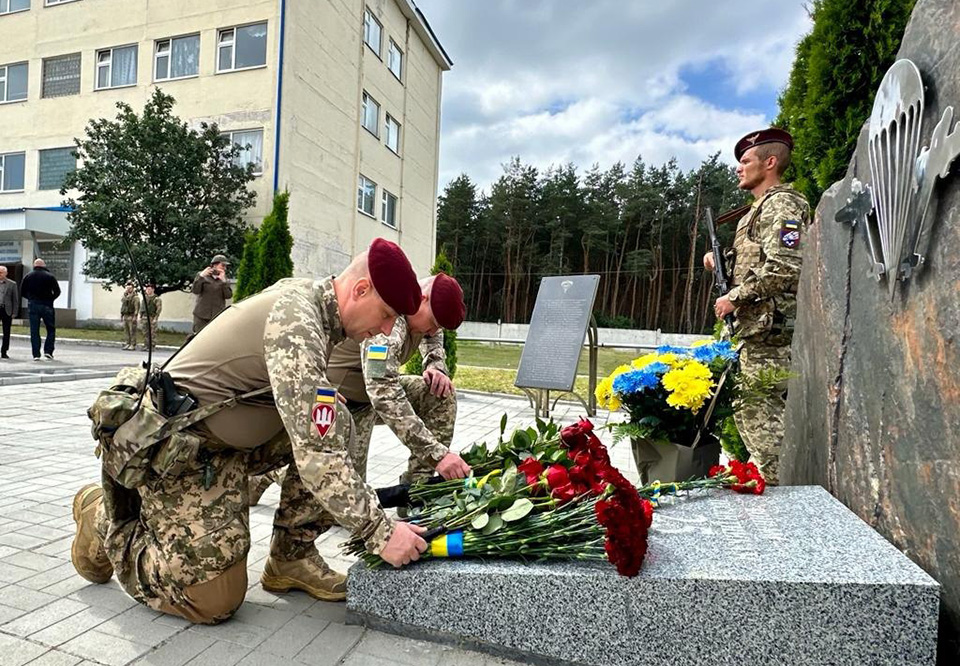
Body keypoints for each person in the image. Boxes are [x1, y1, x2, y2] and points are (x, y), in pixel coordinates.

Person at [71, 238, 429, 625]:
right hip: (178, 453)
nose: (388, 328)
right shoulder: (298, 323)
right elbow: (317, 458)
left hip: (225, 449)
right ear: (361, 290)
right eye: (388, 313)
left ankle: (291, 557)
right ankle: (103, 517)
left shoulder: (317, 307)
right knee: (212, 599)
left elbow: (318, 431)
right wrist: (382, 533)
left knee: (335, 419)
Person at [703, 128, 810, 485]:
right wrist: (720, 264)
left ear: (770, 162)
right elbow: (757, 261)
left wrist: (732, 298)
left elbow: (785, 267)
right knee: (751, 415)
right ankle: (767, 484)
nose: (739, 168)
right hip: (756, 331)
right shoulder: (757, 209)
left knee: (763, 421)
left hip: (772, 333)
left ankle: (780, 500)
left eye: (745, 161)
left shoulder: (783, 204)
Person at [327, 272, 470, 485]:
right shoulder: (387, 323)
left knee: (440, 394)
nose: (431, 330)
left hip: (370, 397)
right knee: (345, 493)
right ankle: (270, 473)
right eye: (432, 322)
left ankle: (414, 491)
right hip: (341, 402)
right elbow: (384, 394)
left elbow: (433, 336)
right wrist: (437, 454)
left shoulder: (420, 312)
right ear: (423, 297)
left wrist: (435, 364)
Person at [20, 258, 60, 361]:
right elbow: (57, 291)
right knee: (50, 329)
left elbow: (22, 291)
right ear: (44, 265)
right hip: (47, 305)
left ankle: (36, 354)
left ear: (34, 266)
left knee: (34, 330)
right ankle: (48, 351)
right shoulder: (50, 276)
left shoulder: (28, 276)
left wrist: (31, 298)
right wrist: (51, 299)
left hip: (33, 305)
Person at [191, 254, 232, 333]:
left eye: (225, 266)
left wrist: (224, 282)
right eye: (222, 265)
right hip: (201, 315)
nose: (224, 268)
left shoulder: (224, 279)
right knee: (198, 337)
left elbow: (228, 296)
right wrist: (201, 277)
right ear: (214, 265)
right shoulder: (203, 276)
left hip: (217, 315)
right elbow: (195, 290)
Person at [0, 265, 19, 359]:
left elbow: (15, 299)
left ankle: (4, 351)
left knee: (6, 331)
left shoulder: (12, 284)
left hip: (6, 310)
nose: (0, 274)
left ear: (6, 273)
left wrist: (14, 312)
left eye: (1, 272)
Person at [139, 284, 162, 351]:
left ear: (153, 289)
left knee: (152, 333)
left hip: (152, 317)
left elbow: (159, 309)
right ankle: (146, 345)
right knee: (145, 332)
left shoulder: (156, 299)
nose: (148, 291)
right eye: (147, 289)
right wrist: (140, 316)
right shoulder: (145, 298)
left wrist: (155, 318)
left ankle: (152, 346)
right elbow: (142, 308)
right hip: (144, 317)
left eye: (149, 289)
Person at [120, 281, 139, 351]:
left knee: (132, 331)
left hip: (131, 315)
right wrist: (121, 315)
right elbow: (123, 306)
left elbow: (137, 308)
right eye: (127, 288)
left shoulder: (135, 297)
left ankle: (133, 344)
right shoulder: (124, 296)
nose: (128, 289)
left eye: (130, 288)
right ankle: (127, 343)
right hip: (125, 315)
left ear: (133, 288)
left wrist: (135, 316)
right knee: (126, 331)